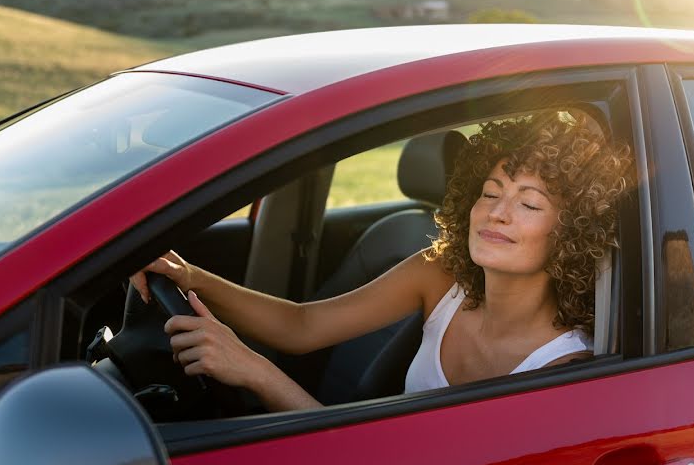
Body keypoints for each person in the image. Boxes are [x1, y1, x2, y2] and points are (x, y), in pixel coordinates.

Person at [131, 112, 633, 412]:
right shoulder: (439, 275)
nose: (496, 213)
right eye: (490, 192)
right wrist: (189, 276)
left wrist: (255, 371)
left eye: (528, 204)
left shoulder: (565, 369)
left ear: (571, 232)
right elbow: (302, 323)